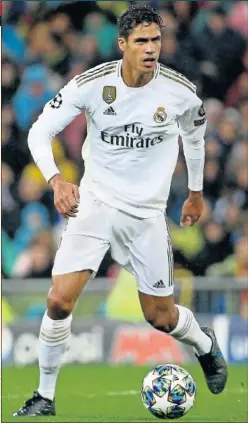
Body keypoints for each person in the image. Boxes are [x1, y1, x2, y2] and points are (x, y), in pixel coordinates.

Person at [14, 4, 227, 417]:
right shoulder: (93, 84)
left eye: (156, 40)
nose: (151, 49)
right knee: (59, 300)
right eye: (142, 41)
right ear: (123, 43)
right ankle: (44, 397)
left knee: (160, 317)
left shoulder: (180, 92)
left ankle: (203, 343)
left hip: (146, 215)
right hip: (95, 203)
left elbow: (195, 141)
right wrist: (57, 179)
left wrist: (196, 193)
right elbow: (41, 130)